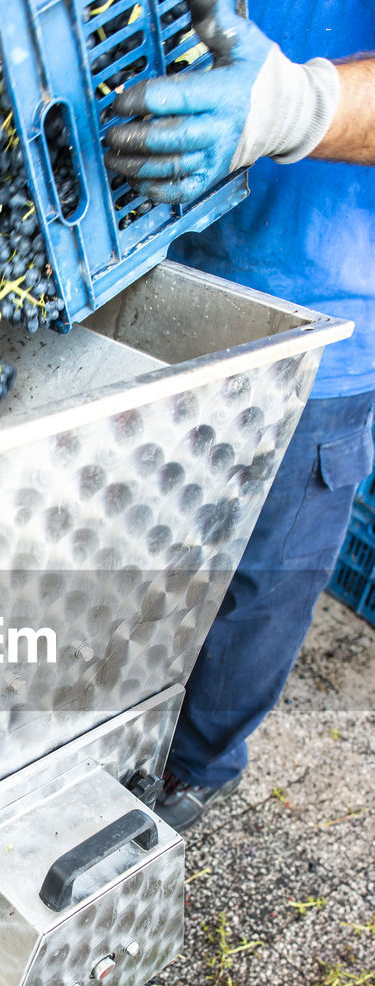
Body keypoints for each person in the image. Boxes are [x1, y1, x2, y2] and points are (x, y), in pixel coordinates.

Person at [104, 0, 375, 832]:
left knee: (263, 583)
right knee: (140, 543)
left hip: (318, 324)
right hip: (155, 284)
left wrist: (296, 108)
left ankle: (197, 768)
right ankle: (113, 729)